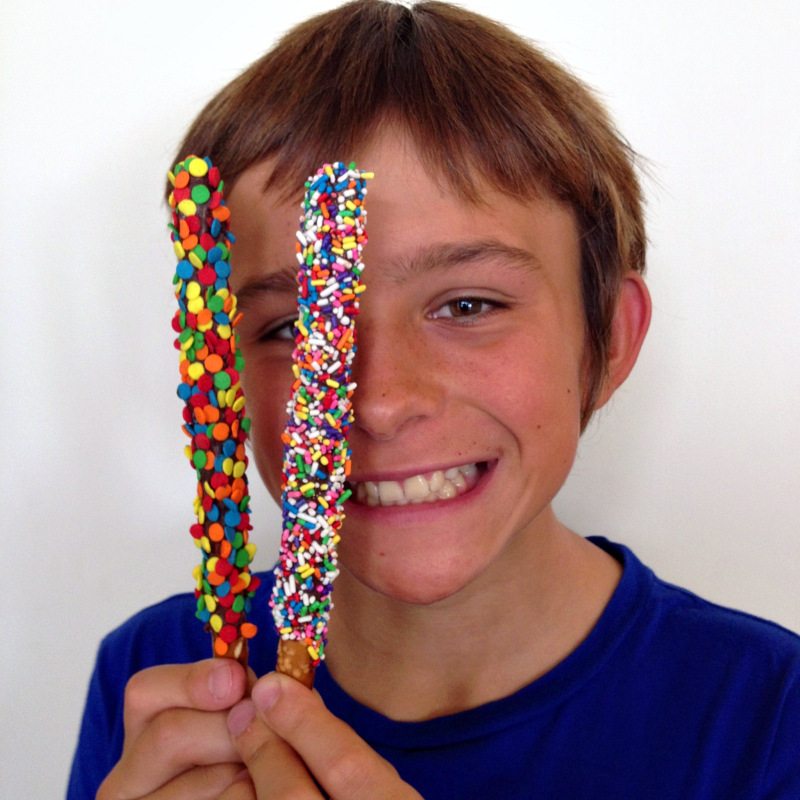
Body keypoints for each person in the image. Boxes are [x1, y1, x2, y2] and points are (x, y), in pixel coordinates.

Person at [68, 2, 800, 798]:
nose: (377, 402)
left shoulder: (767, 718)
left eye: (468, 306)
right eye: (291, 326)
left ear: (610, 340)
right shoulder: (152, 683)